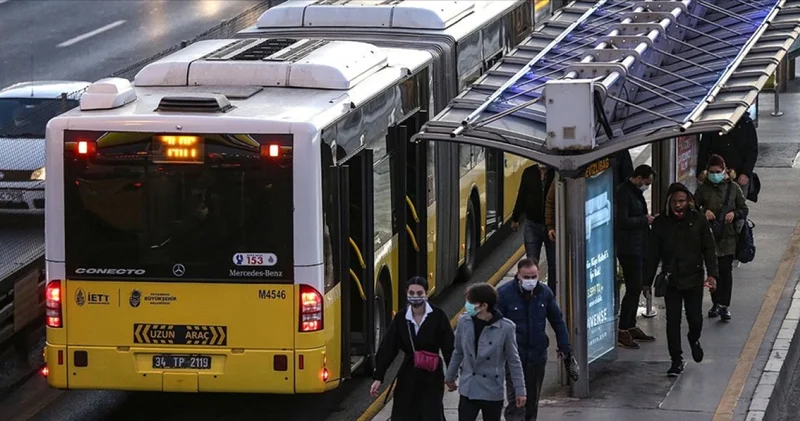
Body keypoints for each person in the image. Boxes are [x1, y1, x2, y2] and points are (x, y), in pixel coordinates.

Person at [644, 183, 718, 376]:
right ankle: (676, 360)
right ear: (669, 202)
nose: (678, 205)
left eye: (682, 201)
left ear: (689, 201)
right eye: (675, 201)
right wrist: (647, 281)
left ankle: (694, 339)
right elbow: (653, 254)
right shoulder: (661, 223)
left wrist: (712, 274)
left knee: (695, 319)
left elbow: (709, 249)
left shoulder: (699, 220)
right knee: (672, 321)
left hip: (693, 278)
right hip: (672, 280)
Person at [370, 276, 455, 421]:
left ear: (426, 294)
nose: (415, 297)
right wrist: (379, 376)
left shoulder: (438, 316)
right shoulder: (401, 318)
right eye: (412, 293)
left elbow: (449, 347)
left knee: (431, 412)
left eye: (419, 293)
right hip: (408, 373)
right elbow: (388, 347)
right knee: (404, 412)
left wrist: (451, 375)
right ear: (407, 293)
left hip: (432, 374)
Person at [497, 258, 572, 421]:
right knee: (516, 399)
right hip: (513, 357)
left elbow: (557, 320)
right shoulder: (504, 294)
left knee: (532, 400)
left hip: (537, 356)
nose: (530, 281)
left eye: (533, 277)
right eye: (526, 277)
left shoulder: (544, 293)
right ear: (518, 275)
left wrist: (565, 347)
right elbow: (495, 325)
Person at [445, 283, 527, 421]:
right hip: (468, 388)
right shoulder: (464, 321)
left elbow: (514, 361)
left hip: (492, 390)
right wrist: (450, 376)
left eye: (471, 302)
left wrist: (520, 391)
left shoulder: (506, 328)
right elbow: (458, 351)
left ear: (484, 305)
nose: (467, 305)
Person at [694, 155, 748, 321]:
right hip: (709, 237)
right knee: (713, 271)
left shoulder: (733, 188)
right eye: (711, 172)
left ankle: (725, 305)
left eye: (718, 172)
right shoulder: (703, 189)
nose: (714, 175)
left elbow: (743, 209)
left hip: (728, 236)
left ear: (724, 171)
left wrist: (734, 213)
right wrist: (704, 212)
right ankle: (715, 303)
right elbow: (693, 208)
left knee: (726, 271)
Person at [615, 165, 657, 348]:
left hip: (637, 245)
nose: (646, 186)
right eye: (646, 183)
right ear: (638, 178)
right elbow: (622, 220)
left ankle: (630, 325)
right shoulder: (624, 193)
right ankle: (623, 328)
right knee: (633, 288)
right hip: (628, 248)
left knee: (636, 287)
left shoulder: (633, 192)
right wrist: (644, 220)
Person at [511, 163, 557, 294]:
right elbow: (522, 195)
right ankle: (531, 293)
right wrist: (515, 218)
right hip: (532, 224)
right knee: (531, 261)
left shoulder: (556, 173)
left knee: (554, 264)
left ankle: (551, 294)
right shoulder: (528, 173)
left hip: (552, 227)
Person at [697, 114, 758, 200]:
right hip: (715, 174)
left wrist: (746, 173)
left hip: (739, 175)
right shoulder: (713, 124)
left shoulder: (746, 123)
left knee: (737, 204)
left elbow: (752, 150)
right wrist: (701, 172)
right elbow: (704, 149)